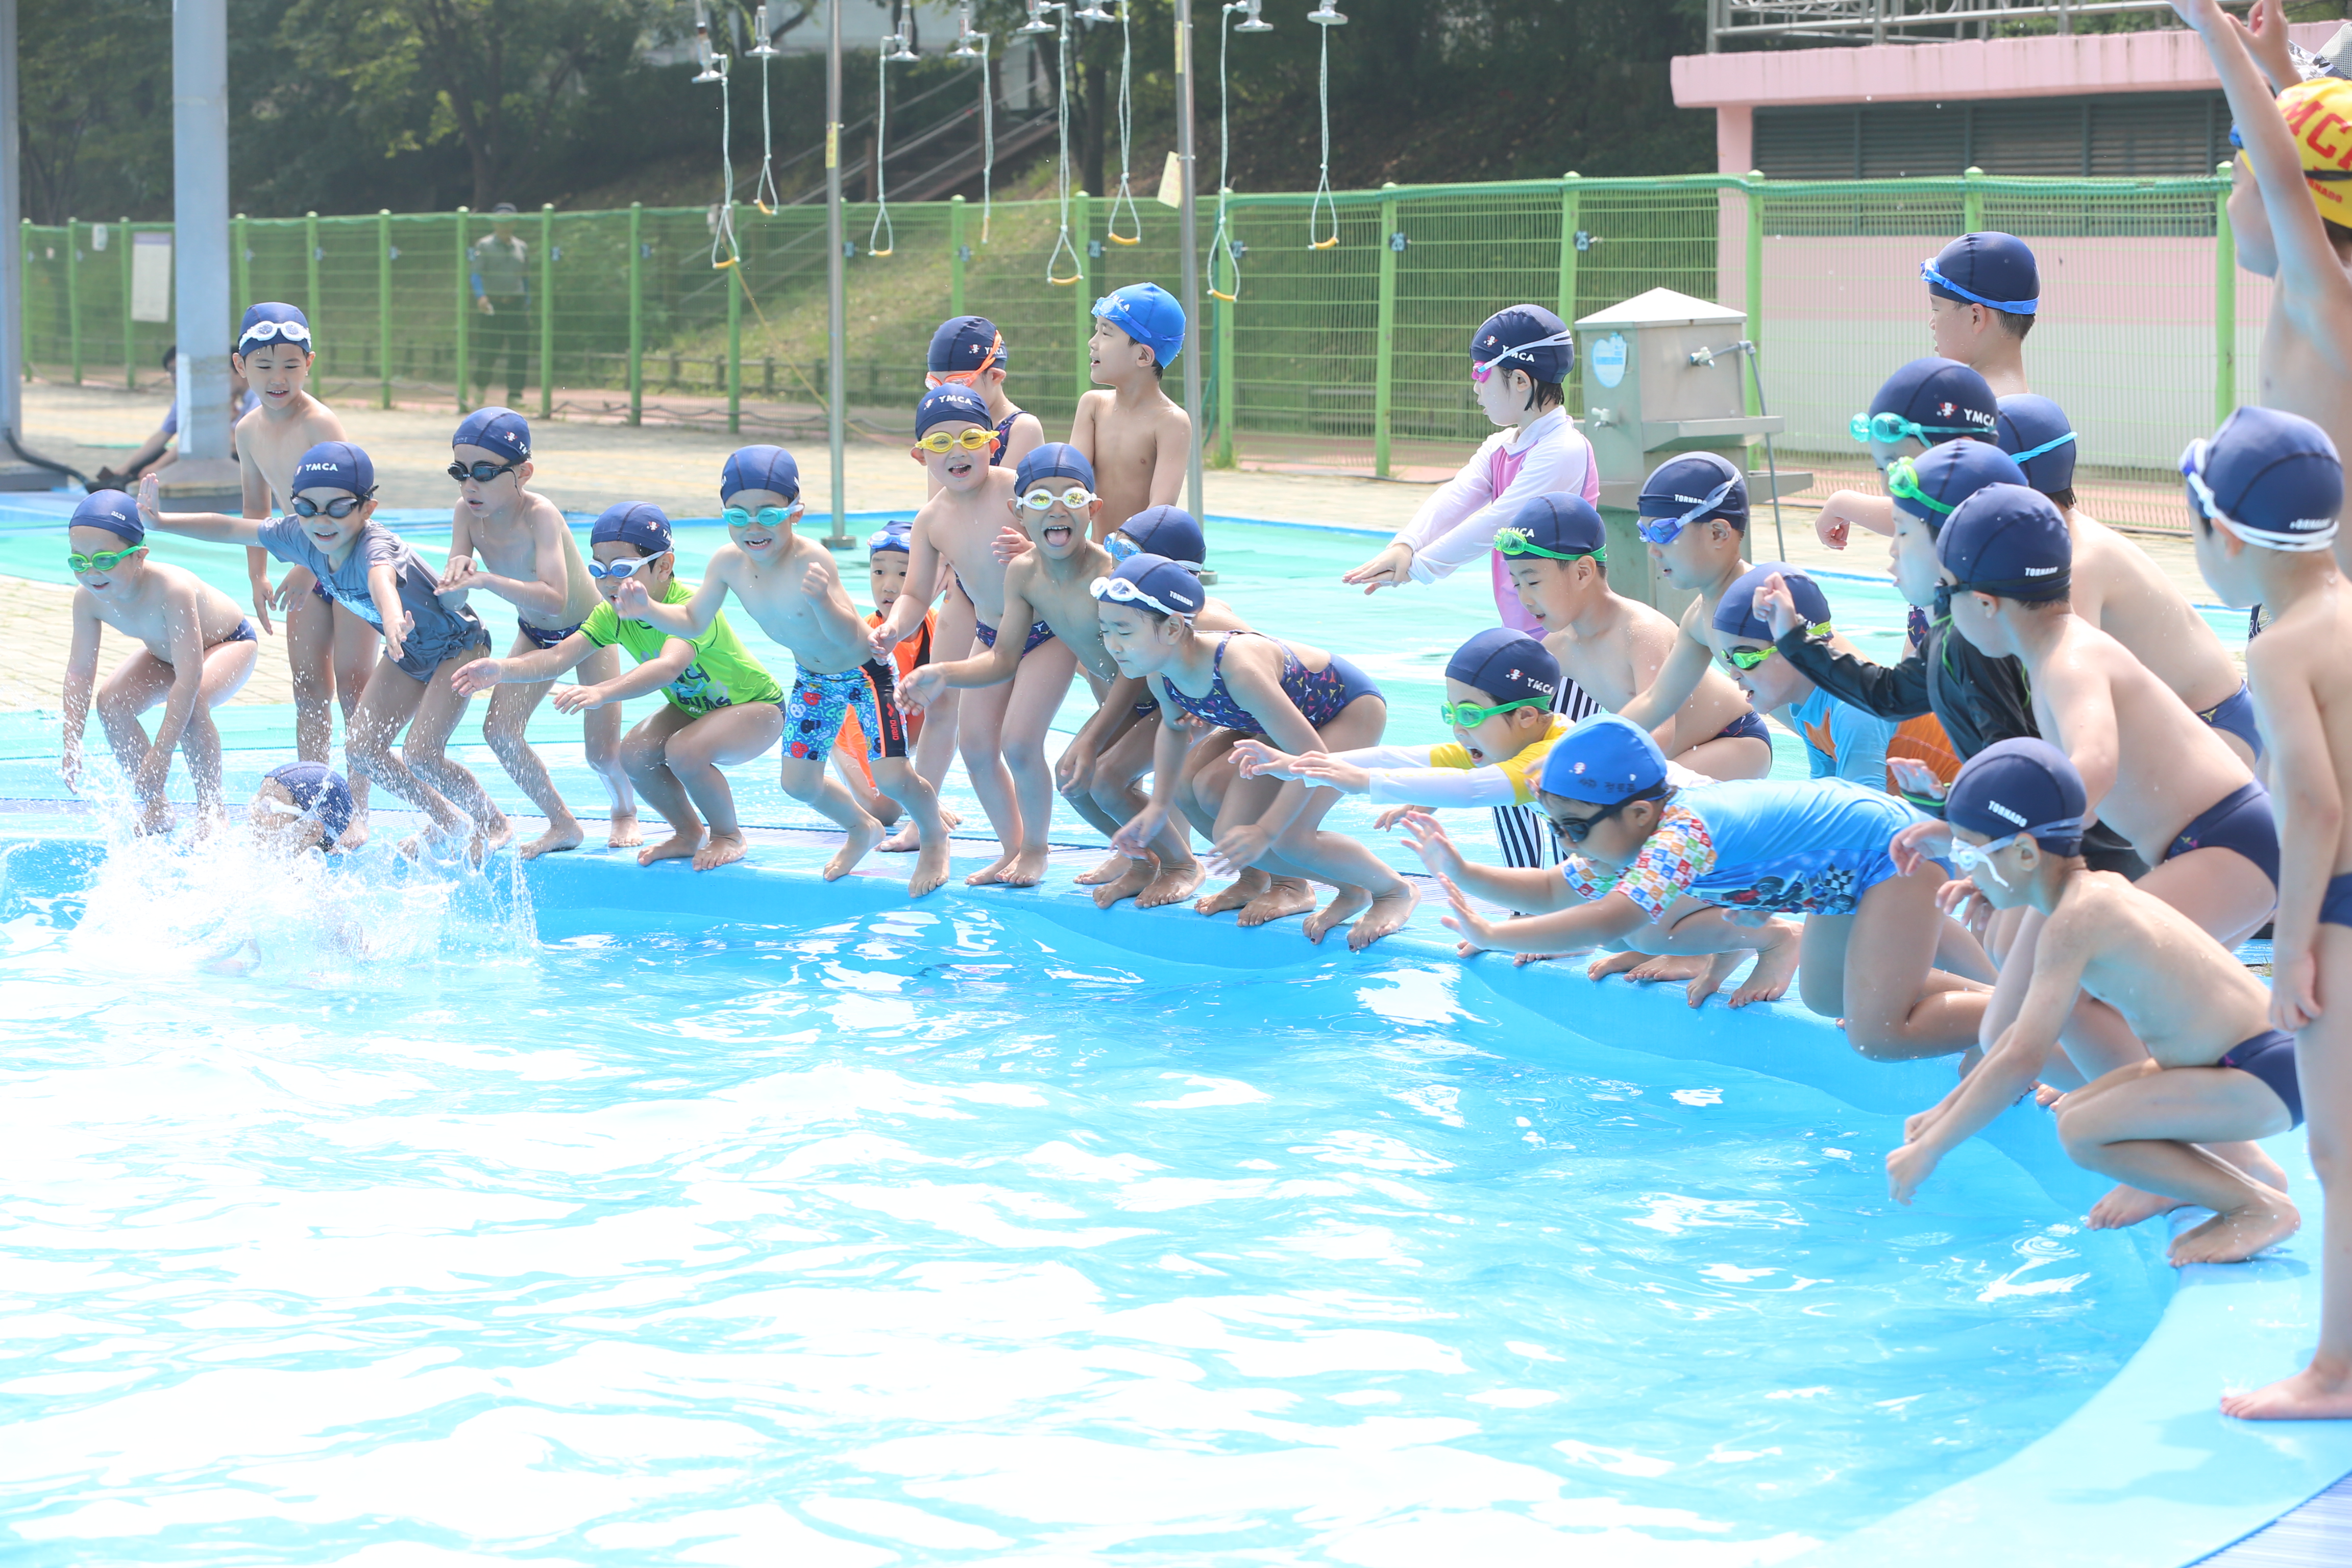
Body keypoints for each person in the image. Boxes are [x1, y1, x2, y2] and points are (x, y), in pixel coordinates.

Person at [1884, 740, 2300, 1269]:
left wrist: (1931, 1150)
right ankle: (2235, 1188)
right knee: (2081, 1108)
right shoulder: (2091, 897)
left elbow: (2021, 1059)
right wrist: (1942, 1114)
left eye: (1968, 853)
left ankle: (2257, 1206)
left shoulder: (2074, 922)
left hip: (2257, 1077)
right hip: (2248, 1066)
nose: (1963, 870)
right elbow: (2015, 1040)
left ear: (2026, 854)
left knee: (2080, 1131)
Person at [1236, 628, 1802, 1008]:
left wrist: (1359, 781)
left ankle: (1771, 938)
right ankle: (1721, 937)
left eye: (1470, 714)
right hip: (1711, 856)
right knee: (1611, 910)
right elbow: (1404, 757)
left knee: (1630, 919)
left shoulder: (1549, 760)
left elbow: (1471, 789)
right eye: (1450, 712)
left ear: (1528, 716)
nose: (1459, 729)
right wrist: (1303, 764)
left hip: (1740, 850)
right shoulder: (1515, 747)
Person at [1419, 715, 1988, 1057]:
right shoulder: (1623, 837)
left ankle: (2031, 1023)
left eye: (1573, 828)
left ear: (1640, 813)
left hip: (1890, 855)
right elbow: (1550, 890)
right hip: (1844, 878)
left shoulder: (1683, 833)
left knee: (1877, 1035)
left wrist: (1494, 932)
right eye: (1555, 827)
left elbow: (1612, 919)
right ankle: (2016, 1006)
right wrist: (1462, 873)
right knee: (1826, 998)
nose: (1566, 843)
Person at [2181, 405, 2352, 1416]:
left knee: (2335, 1150)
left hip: (2336, 904)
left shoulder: (2279, 649)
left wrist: (2289, 949)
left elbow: (2319, 803)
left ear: (2229, 538)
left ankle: (2336, 1372)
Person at [140, 443, 509, 863]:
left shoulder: (374, 547)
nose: (322, 521)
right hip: (408, 648)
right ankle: (450, 820)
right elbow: (229, 528)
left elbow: (382, 582)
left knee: (422, 754)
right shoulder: (300, 535)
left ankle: (494, 822)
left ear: (367, 509)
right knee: (362, 752)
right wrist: (161, 521)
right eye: (308, 507)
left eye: (338, 508)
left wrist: (391, 621)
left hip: (457, 644)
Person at [611, 449, 952, 896]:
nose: (754, 527)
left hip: (865, 673)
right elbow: (693, 621)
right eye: (739, 514)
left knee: (890, 776)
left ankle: (935, 838)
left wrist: (824, 603)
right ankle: (862, 829)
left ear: (796, 513)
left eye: (768, 514)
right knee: (798, 782)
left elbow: (851, 633)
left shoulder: (812, 560)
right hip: (813, 679)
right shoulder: (726, 563)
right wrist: (648, 609)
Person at [1096, 553, 1418, 949]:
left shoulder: (1238, 670)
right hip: (1280, 726)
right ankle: (1347, 889)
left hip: (1345, 712)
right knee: (1200, 796)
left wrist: (1266, 830)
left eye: (1124, 631)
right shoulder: (1162, 673)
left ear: (1174, 627)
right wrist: (1158, 807)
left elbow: (1312, 759)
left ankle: (1393, 891)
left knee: (1287, 837)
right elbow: (1174, 730)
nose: (1112, 645)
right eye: (1105, 631)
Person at [454, 503, 786, 871]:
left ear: (664, 566)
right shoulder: (611, 612)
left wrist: (602, 691)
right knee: (634, 753)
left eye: (623, 570)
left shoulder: (689, 606)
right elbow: (560, 656)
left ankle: (728, 835)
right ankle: (688, 833)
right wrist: (501, 669)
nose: (610, 581)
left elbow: (667, 667)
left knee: (683, 751)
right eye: (599, 570)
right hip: (698, 708)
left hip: (758, 708)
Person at [902, 444, 1157, 897]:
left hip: (1162, 695)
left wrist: (1095, 733)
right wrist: (942, 672)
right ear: (1019, 511)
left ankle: (1161, 861)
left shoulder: (1113, 574)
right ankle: (1023, 847)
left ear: (1092, 508)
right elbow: (1001, 657)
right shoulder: (1023, 571)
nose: (1057, 509)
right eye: (1040, 500)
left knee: (1055, 755)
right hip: (1078, 671)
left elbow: (1146, 661)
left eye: (1072, 499)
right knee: (989, 750)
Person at [874, 394, 1075, 887]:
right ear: (921, 454)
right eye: (942, 443)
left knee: (1021, 744)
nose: (958, 452)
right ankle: (1012, 848)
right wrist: (894, 627)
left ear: (992, 443)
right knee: (978, 749)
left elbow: (1072, 543)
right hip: (990, 637)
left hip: (1045, 632)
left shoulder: (1016, 491)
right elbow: (918, 592)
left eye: (971, 439)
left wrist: (1036, 548)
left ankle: (1036, 849)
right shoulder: (931, 520)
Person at [2174, 0, 2352, 554]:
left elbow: (2285, 168)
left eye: (2236, 187)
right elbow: (2323, 154)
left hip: (2325, 578)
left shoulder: (2317, 293)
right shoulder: (2327, 287)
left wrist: (2210, 26)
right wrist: (2281, 69)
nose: (2229, 209)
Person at [1996, 393, 2259, 765]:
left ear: (2012, 478)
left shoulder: (2075, 562)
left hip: (2213, 726)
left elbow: (2067, 692)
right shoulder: (2066, 536)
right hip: (2205, 717)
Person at [433, 407, 638, 857]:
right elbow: (454, 595)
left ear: (522, 473)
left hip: (590, 633)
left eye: (485, 473)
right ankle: (563, 823)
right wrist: (451, 582)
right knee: (501, 732)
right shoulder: (465, 515)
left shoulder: (540, 514)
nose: (470, 485)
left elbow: (553, 596)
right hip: (535, 633)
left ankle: (624, 811)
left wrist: (483, 579)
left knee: (602, 754)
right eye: (460, 472)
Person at [1055, 506, 1275, 914]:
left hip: (1207, 706)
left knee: (1110, 779)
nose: (1116, 563)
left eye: (1128, 555)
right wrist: (1091, 739)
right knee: (1074, 776)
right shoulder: (1133, 603)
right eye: (1115, 550)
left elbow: (1262, 654)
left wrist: (1207, 704)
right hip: (1163, 698)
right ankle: (1144, 858)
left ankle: (1181, 865)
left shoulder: (1203, 616)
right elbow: (1131, 681)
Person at [1341, 304, 1601, 635]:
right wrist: (1404, 547)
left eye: (1481, 372)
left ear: (1521, 380)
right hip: (1531, 630)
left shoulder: (1563, 449)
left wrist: (1416, 568)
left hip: (1573, 638)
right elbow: (1456, 496)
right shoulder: (1502, 446)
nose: (1476, 386)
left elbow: (1500, 521)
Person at [222, 302, 380, 846]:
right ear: (241, 367)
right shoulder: (247, 430)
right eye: (264, 367)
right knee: (309, 687)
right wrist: (256, 575)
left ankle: (356, 807)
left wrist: (309, 569)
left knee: (357, 688)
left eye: (290, 365)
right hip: (304, 569)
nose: (278, 378)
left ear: (309, 363)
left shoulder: (320, 422)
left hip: (348, 565)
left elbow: (346, 507)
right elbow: (253, 506)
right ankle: (315, 804)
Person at [1500, 492, 1768, 799]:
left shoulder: (1639, 632)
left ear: (1583, 572)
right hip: (1669, 756)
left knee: (1638, 806)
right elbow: (1511, 721)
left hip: (1733, 739)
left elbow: (1659, 735)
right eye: (1517, 583)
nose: (1525, 598)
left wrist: (1584, 761)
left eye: (1533, 582)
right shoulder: (1559, 647)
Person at [59, 489, 261, 832]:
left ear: (139, 556)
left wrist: (162, 752)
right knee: (112, 702)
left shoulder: (171, 590)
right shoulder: (89, 599)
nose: (92, 572)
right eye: (79, 561)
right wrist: (71, 740)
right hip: (167, 655)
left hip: (229, 643)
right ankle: (157, 808)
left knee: (192, 704)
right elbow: (79, 671)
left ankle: (212, 811)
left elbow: (190, 676)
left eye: (105, 560)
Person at [1712, 562, 1959, 793]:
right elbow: (1825, 794)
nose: (1733, 672)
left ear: (1791, 646)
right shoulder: (1806, 707)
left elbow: (1863, 813)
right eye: (1729, 659)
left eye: (1746, 657)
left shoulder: (1852, 708)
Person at [1610, 456, 1780, 765]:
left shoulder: (1770, 598)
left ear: (1718, 533)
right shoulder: (1699, 618)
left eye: (1663, 532)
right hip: (1829, 743)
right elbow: (1656, 701)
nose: (1652, 550)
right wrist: (1572, 750)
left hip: (1863, 739)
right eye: (1645, 534)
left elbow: (1839, 694)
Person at [1811, 356, 2001, 555]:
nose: (1886, 488)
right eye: (1881, 469)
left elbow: (1924, 515)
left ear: (1963, 454)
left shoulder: (1987, 521)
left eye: (1899, 468)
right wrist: (1841, 504)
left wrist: (1843, 504)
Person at [1069, 283, 1191, 540]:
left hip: (1141, 557)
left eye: (1107, 333)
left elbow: (1160, 509)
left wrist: (1127, 553)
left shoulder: (1170, 422)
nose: (1093, 343)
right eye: (1096, 330)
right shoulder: (1093, 406)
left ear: (1144, 357)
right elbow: (1071, 484)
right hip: (1095, 554)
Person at [93, 345, 258, 488]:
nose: (177, 377)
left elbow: (209, 440)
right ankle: (122, 480)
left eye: (222, 374)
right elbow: (164, 434)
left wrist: (158, 466)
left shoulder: (252, 400)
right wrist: (127, 467)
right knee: (150, 459)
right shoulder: (192, 397)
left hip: (244, 464)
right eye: (172, 372)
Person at [1921, 231, 2038, 398]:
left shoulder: (1966, 412)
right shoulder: (2027, 408)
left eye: (1936, 309)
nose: (1932, 323)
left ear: (1976, 318)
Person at [926, 315, 1043, 479]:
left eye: (958, 384)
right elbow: (938, 502)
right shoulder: (943, 429)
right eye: (935, 385)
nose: (946, 396)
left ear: (995, 377)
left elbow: (1003, 501)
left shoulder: (1022, 429)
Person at [470, 203, 531, 408]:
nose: (504, 227)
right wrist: (481, 296)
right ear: (494, 224)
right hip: (493, 304)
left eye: (508, 222)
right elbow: (476, 273)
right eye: (500, 222)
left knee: (519, 350)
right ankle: (480, 391)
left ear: (514, 223)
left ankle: (515, 395)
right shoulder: (484, 245)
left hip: (516, 303)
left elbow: (525, 276)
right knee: (489, 349)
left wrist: (527, 299)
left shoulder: (522, 247)